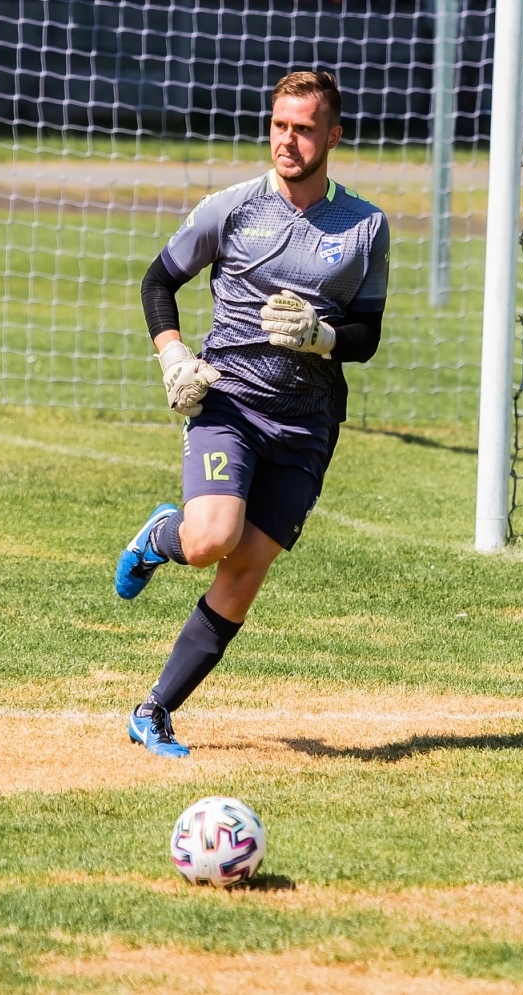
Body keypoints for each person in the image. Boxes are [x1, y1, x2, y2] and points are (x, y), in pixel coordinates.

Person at [114, 69, 390, 758]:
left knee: (244, 574)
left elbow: (367, 335)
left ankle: (154, 710)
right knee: (211, 539)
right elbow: (158, 281)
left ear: (333, 135)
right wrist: (174, 357)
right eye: (279, 125)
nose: (287, 141)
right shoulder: (232, 208)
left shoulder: (365, 227)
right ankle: (162, 536)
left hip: (308, 425)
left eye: (302, 128)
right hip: (229, 403)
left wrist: (322, 338)